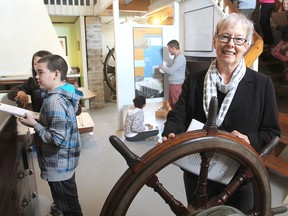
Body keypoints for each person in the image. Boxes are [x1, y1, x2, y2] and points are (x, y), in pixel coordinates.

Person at [160, 13, 280, 214]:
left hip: (240, 177)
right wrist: (171, 131)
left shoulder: (262, 85)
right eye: (224, 37)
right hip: (198, 174)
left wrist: (249, 139)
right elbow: (178, 116)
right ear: (214, 41)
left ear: (247, 44)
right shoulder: (194, 80)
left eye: (238, 39)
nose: (230, 44)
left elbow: (271, 133)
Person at [19, 54, 83, 216]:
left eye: (40, 72)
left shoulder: (54, 102)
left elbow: (56, 139)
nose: (36, 77)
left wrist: (34, 124)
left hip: (58, 165)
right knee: (69, 202)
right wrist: (38, 119)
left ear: (55, 74)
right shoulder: (62, 95)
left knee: (69, 209)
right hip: (65, 162)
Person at [158, 40, 186, 110]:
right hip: (174, 84)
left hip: (176, 85)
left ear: (173, 48)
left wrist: (162, 67)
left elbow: (171, 71)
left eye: (169, 49)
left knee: (175, 103)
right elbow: (174, 71)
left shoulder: (180, 58)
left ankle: (176, 119)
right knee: (172, 102)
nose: (168, 51)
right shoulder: (176, 57)